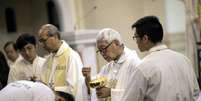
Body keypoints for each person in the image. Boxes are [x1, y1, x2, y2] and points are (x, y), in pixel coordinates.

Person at [122, 16, 200, 101]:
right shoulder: (184, 60)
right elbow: (196, 94)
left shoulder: (143, 67)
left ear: (145, 38)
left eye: (136, 37)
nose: (136, 41)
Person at [82, 28, 141, 101]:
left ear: (116, 43)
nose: (103, 54)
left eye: (104, 48)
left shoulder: (134, 63)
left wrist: (111, 92)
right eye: (100, 51)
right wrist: (88, 78)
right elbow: (94, 89)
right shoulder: (107, 67)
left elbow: (138, 94)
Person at [37, 24, 85, 101]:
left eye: (44, 40)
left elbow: (75, 88)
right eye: (40, 41)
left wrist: (53, 90)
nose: (42, 45)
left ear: (55, 37)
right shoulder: (48, 60)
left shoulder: (71, 56)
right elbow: (44, 83)